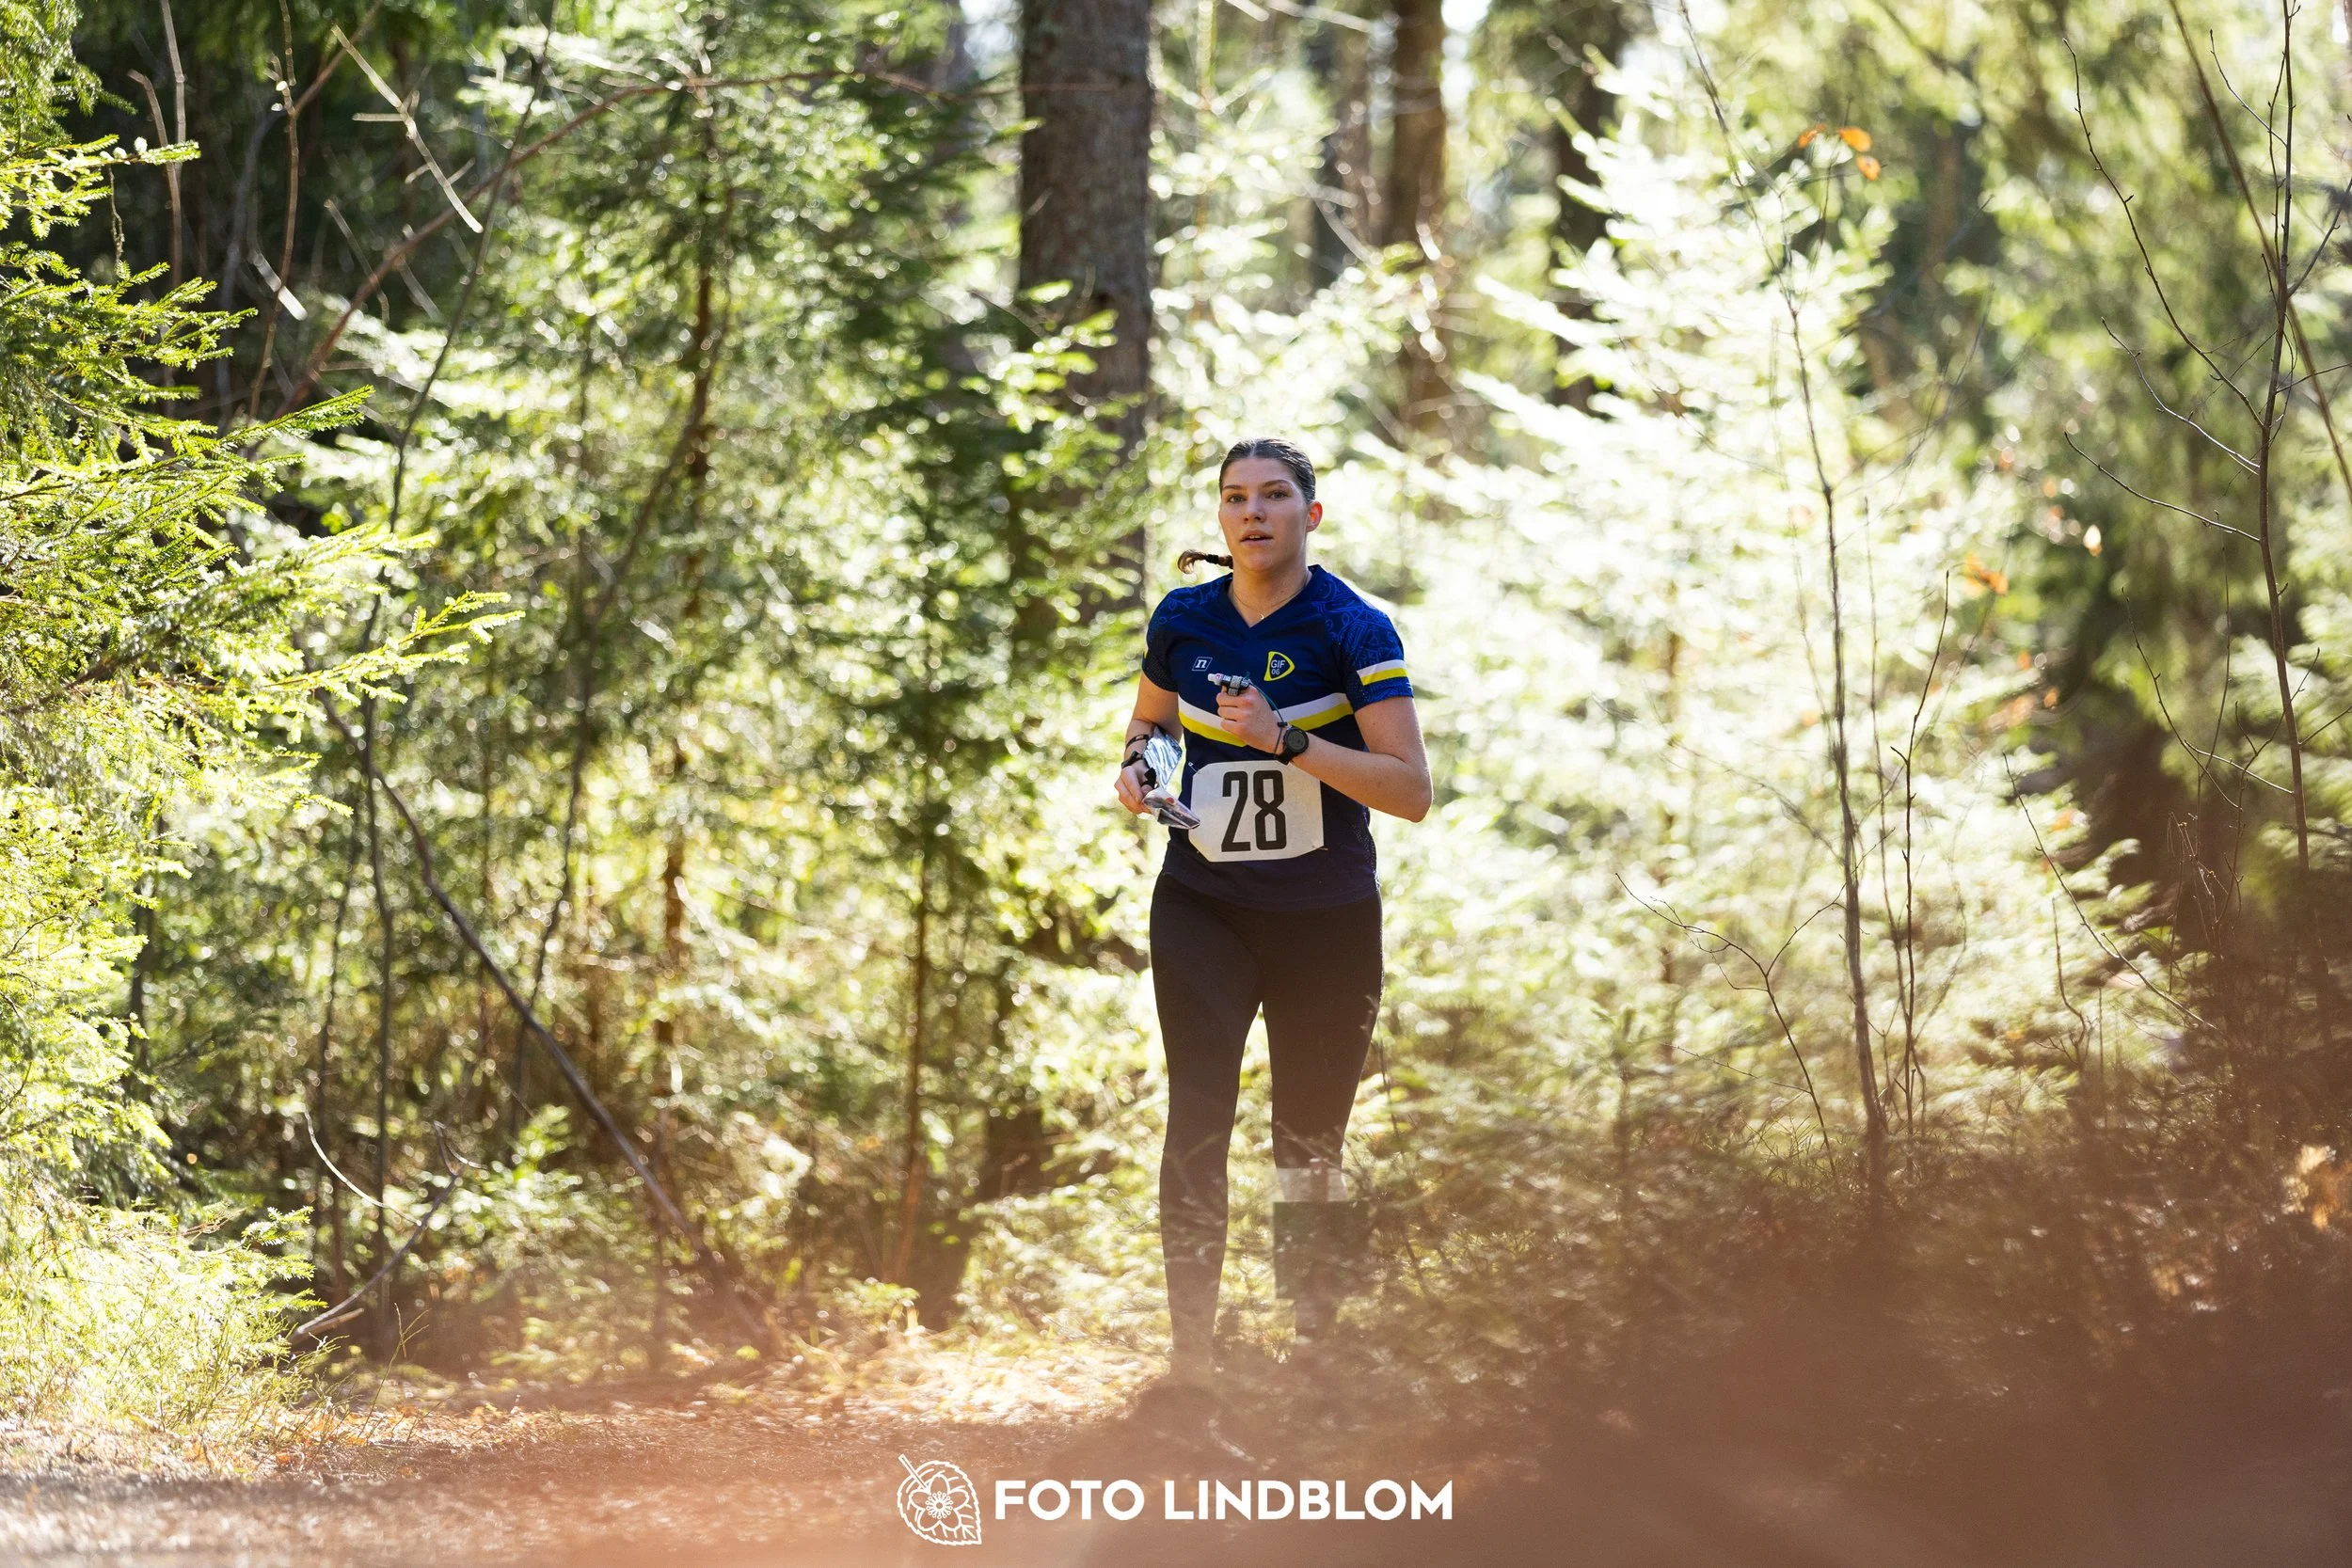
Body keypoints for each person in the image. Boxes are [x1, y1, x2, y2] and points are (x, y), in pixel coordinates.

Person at [1114, 436, 1431, 1416]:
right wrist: (1142, 776)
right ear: (1219, 517)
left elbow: (1410, 790)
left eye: (1273, 496)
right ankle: (1192, 1363)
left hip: (1325, 921)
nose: (1251, 514)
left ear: (1309, 515)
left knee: (1310, 1144)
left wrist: (1287, 740)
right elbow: (1149, 728)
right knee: (1196, 1122)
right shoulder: (1184, 618)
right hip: (1203, 905)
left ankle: (1315, 1352)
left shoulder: (1353, 626)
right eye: (1234, 498)